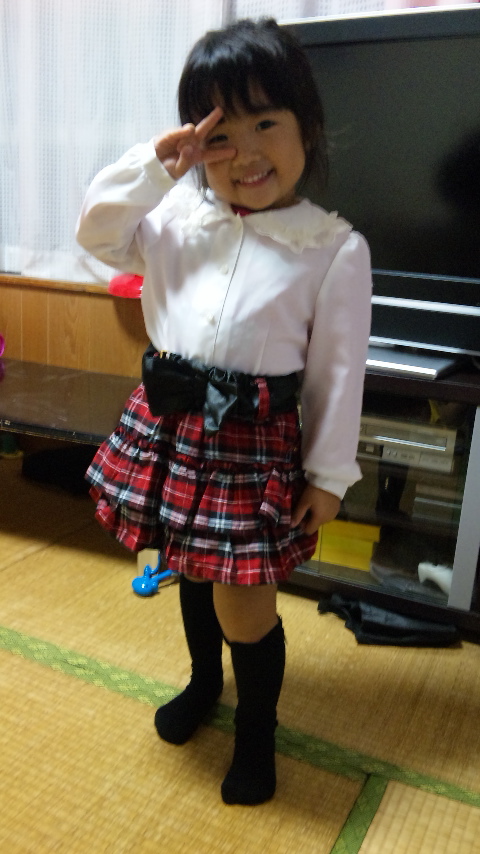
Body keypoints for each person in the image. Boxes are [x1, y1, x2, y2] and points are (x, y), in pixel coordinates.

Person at [76, 18, 372, 806]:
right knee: (190, 570)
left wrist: (329, 476)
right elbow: (97, 233)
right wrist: (156, 166)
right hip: (170, 429)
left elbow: (338, 372)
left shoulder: (332, 248)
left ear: (306, 124)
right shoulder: (174, 218)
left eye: (265, 124)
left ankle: (255, 730)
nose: (245, 153)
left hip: (252, 443)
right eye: (220, 134)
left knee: (243, 600)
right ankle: (205, 683)